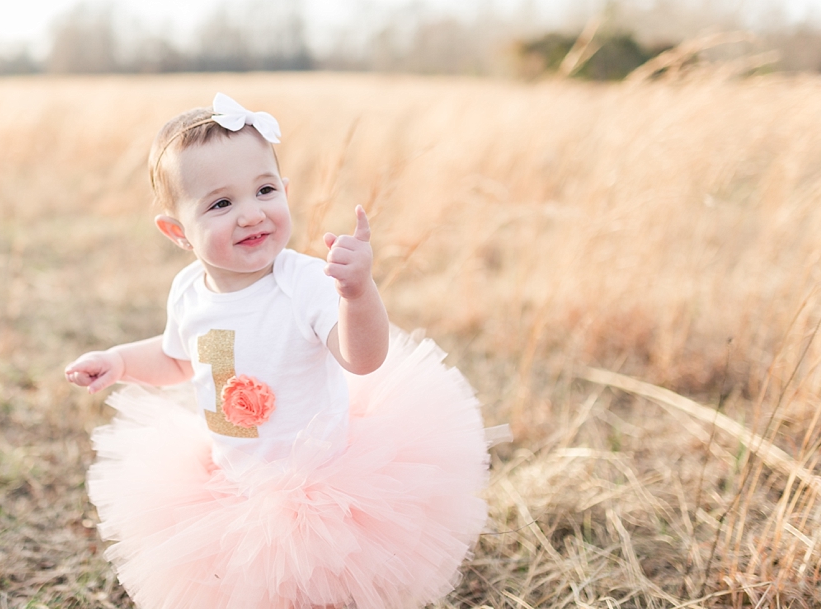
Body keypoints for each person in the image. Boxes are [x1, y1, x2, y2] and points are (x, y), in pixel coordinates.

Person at [64, 93, 498, 609]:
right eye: (222, 204)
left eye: (265, 190)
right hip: (232, 483)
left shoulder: (305, 283)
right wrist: (119, 362)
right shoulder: (189, 292)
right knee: (248, 586)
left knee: (323, 589)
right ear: (177, 232)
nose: (251, 215)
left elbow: (362, 358)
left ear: (285, 192)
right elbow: (177, 358)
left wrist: (358, 294)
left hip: (322, 489)